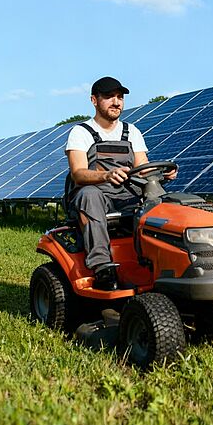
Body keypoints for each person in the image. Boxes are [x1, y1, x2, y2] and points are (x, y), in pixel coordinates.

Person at [64, 75, 176, 290]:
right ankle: (102, 266)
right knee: (89, 195)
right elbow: (78, 173)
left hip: (126, 194)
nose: (116, 102)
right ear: (94, 100)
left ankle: (161, 260)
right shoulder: (81, 132)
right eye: (109, 97)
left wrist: (162, 173)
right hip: (96, 194)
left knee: (160, 198)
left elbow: (143, 165)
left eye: (119, 97)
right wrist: (106, 175)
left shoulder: (131, 131)